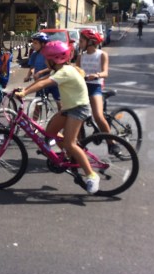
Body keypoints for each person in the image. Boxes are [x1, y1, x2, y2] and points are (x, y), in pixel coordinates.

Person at [15, 41, 100, 194]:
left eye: (47, 58)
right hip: (69, 107)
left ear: (55, 60)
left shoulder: (65, 71)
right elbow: (41, 80)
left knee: (70, 143)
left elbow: (44, 84)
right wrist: (24, 89)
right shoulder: (59, 69)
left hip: (78, 108)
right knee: (50, 133)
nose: (45, 61)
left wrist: (24, 94)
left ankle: (91, 175)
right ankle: (68, 156)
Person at [75, 29, 120, 155]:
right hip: (82, 88)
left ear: (90, 42)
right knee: (76, 117)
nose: (79, 43)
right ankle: (80, 146)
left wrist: (96, 75)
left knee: (98, 116)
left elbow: (105, 73)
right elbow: (75, 71)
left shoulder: (101, 55)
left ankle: (112, 144)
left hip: (95, 87)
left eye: (82, 40)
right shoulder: (80, 57)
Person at [24, 32, 61, 115]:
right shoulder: (34, 54)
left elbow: (52, 68)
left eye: (36, 43)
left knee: (60, 104)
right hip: (40, 83)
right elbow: (32, 67)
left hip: (52, 82)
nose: (33, 45)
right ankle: (34, 126)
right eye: (33, 43)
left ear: (43, 44)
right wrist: (29, 75)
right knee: (38, 105)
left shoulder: (49, 54)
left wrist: (41, 72)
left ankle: (62, 120)